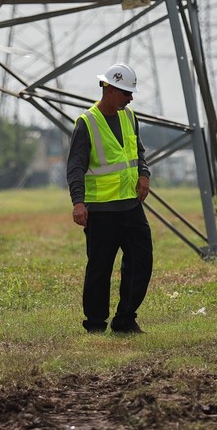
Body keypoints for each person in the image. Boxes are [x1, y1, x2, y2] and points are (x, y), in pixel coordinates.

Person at [65, 61, 153, 334]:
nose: (131, 98)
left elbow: (139, 152)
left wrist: (144, 174)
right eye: (127, 93)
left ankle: (125, 319)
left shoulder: (130, 117)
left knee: (142, 261)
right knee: (100, 269)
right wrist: (78, 202)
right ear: (110, 89)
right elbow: (75, 166)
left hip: (130, 206)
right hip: (101, 210)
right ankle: (94, 324)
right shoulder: (87, 123)